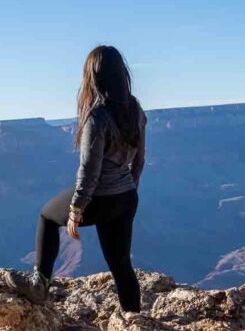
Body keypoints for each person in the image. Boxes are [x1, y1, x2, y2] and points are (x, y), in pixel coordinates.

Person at [8, 45, 147, 307]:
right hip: (126, 198)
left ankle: (39, 285)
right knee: (121, 266)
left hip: (101, 197)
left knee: (47, 218)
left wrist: (76, 209)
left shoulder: (97, 116)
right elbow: (140, 159)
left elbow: (89, 171)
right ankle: (134, 320)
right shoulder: (134, 108)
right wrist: (130, 188)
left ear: (92, 77)